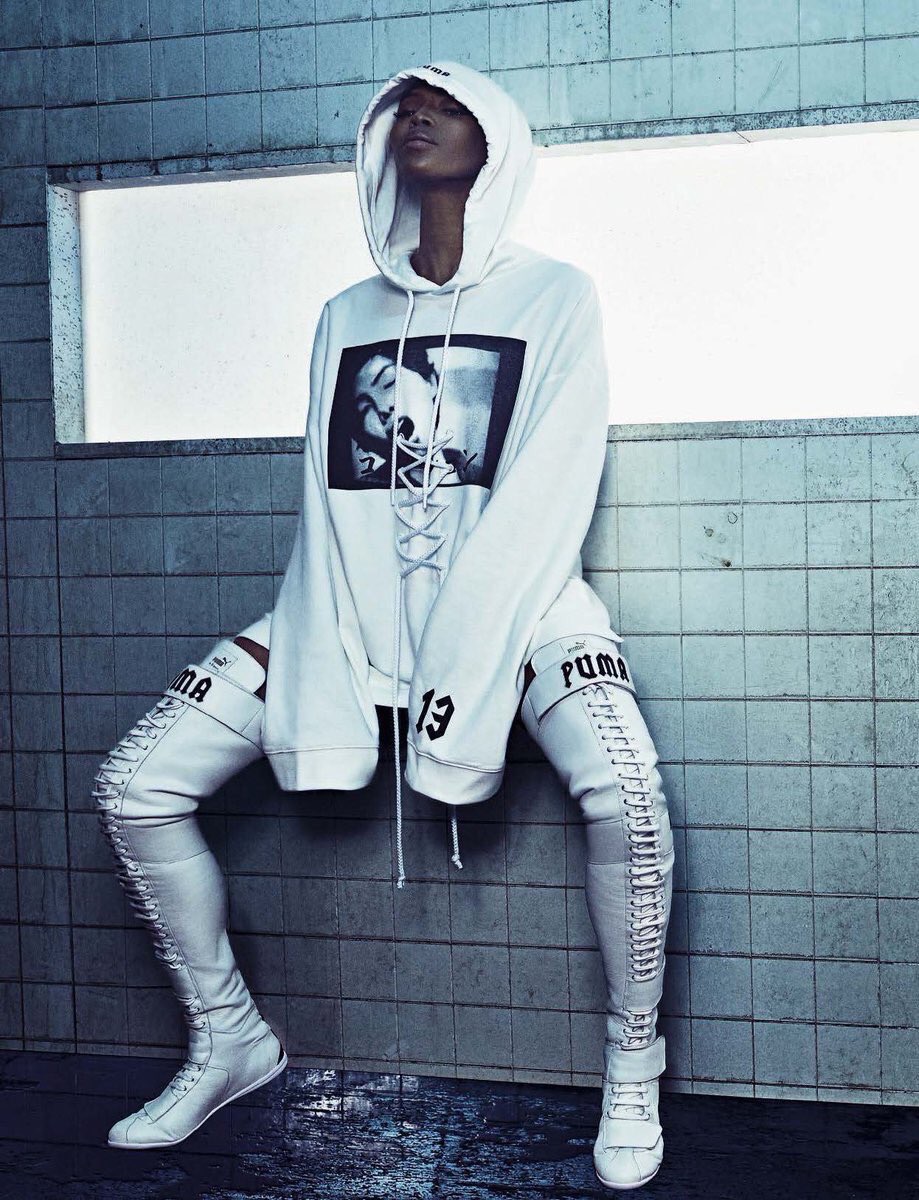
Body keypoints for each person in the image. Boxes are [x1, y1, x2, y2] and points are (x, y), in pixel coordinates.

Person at [92, 62, 674, 1192]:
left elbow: (551, 486)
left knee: (629, 789)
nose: (419, 120)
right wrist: (331, 644)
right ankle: (229, 1041)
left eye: (445, 108)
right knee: (134, 784)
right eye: (405, 109)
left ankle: (632, 1063)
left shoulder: (556, 296)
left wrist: (461, 654)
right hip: (346, 605)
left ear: (495, 143)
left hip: (520, 602)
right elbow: (322, 504)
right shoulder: (343, 318)